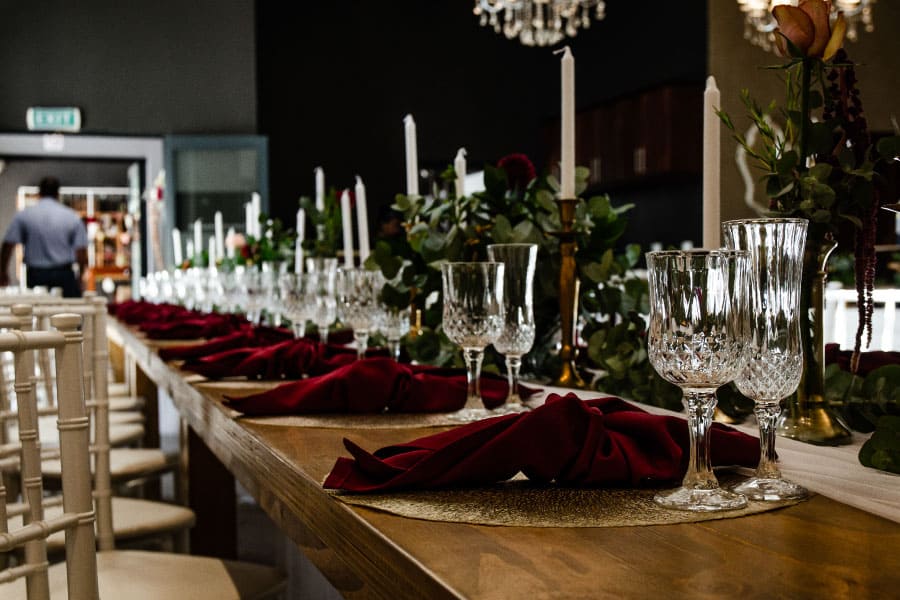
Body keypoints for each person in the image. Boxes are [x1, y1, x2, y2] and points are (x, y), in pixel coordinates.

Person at [0, 176, 88, 297]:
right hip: (64, 274)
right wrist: (81, 276)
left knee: (38, 311)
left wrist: (3, 272)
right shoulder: (71, 216)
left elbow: (8, 244)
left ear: (39, 193)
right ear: (58, 194)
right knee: (69, 311)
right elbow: (81, 251)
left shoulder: (25, 215)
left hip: (36, 275)